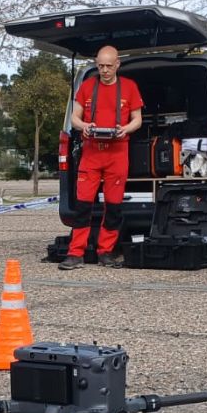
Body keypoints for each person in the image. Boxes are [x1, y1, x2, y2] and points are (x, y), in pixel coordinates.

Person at [58, 45, 143, 270]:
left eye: (108, 66)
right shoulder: (87, 86)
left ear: (117, 64)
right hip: (92, 153)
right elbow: (75, 118)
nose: (104, 70)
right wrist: (85, 126)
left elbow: (138, 119)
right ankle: (75, 253)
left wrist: (126, 129)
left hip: (118, 154)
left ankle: (106, 252)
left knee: (114, 206)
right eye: (100, 66)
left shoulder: (129, 87)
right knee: (83, 205)